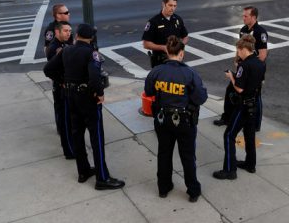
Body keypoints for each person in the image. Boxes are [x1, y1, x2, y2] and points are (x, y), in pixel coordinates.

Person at [44, 24, 125, 190]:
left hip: (71, 97)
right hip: (87, 98)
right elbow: (95, 78)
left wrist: (62, 81)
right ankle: (102, 178)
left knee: (77, 135)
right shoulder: (91, 53)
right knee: (97, 138)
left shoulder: (66, 50)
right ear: (91, 38)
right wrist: (100, 93)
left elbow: (48, 69)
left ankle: (83, 171)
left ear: (77, 35)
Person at [144, 35, 208, 202]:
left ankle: (163, 188)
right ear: (181, 53)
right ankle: (193, 191)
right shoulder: (190, 73)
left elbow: (149, 92)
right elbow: (201, 98)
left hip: (162, 119)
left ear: (167, 51)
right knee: (187, 156)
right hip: (185, 121)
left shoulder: (156, 71)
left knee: (164, 153)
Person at [213, 35, 266, 180]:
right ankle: (250, 164)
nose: (237, 53)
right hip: (254, 104)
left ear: (244, 49)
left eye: (238, 50)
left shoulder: (245, 65)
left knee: (229, 135)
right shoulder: (261, 63)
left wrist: (231, 76)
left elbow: (239, 88)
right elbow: (258, 82)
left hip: (243, 106)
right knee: (250, 135)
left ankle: (230, 170)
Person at [214, 6, 268, 132]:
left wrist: (248, 65)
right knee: (230, 90)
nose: (243, 18)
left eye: (246, 16)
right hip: (242, 68)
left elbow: (263, 55)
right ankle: (227, 118)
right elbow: (239, 48)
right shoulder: (243, 30)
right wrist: (237, 60)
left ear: (253, 17)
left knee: (256, 96)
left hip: (254, 70)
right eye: (243, 15)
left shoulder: (261, 32)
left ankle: (256, 125)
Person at [46, 21, 75, 160]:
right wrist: (62, 82)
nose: (68, 33)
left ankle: (71, 145)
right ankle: (69, 151)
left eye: (69, 30)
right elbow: (50, 69)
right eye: (65, 31)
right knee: (65, 121)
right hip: (61, 90)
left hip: (66, 88)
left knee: (68, 120)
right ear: (57, 32)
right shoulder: (54, 48)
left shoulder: (65, 44)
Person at [142, 0, 189, 68]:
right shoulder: (154, 22)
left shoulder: (178, 19)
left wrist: (179, 46)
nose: (172, 8)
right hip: (160, 62)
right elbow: (146, 44)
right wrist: (163, 48)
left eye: (175, 6)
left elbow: (185, 37)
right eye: (170, 5)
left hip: (177, 61)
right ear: (163, 4)